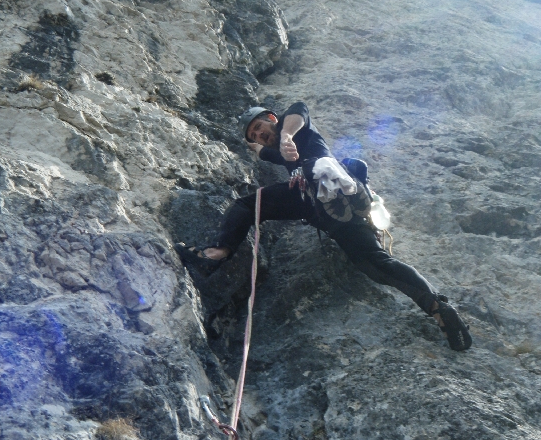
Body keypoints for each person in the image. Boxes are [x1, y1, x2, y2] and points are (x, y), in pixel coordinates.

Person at [177, 102, 472, 351]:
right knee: (250, 207)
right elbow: (258, 150)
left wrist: (286, 136)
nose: (259, 134)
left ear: (272, 118)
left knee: (374, 262)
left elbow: (299, 111)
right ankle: (215, 254)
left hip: (324, 182)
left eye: (259, 127)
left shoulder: (296, 126)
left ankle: (438, 307)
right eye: (255, 133)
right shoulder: (273, 149)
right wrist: (250, 140)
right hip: (317, 208)